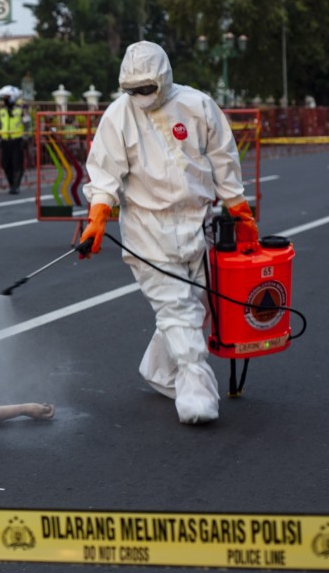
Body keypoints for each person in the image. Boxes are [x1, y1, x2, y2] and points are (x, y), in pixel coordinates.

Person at [79, 40, 259, 425]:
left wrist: (238, 209)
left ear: (163, 79)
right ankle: (195, 394)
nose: (141, 97)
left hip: (198, 223)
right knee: (177, 308)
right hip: (147, 228)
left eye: (147, 88)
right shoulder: (118, 116)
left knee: (197, 304)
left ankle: (159, 371)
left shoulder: (198, 106)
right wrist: (97, 214)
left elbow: (224, 159)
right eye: (133, 90)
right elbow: (104, 173)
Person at [0, 85, 26, 194]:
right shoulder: (2, 111)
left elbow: (28, 125)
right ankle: (11, 184)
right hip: (5, 141)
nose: (5, 100)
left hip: (17, 140)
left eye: (7, 98)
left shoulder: (20, 110)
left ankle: (16, 185)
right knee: (6, 164)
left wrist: (26, 138)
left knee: (17, 164)